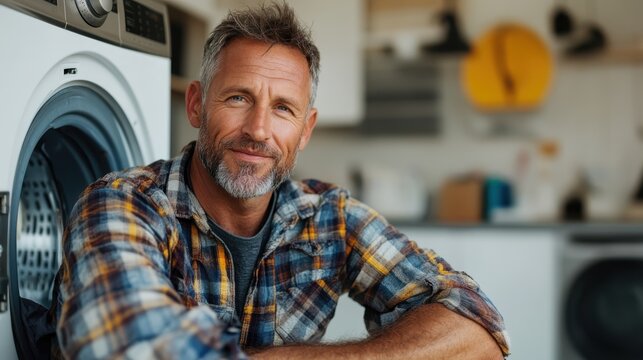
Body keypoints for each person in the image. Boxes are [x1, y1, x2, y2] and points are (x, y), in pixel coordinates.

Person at [52, 3, 510, 359]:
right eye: (238, 97)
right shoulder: (120, 204)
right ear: (196, 105)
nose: (258, 129)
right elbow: (124, 347)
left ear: (305, 130)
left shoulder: (330, 218)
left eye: (283, 109)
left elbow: (480, 329)